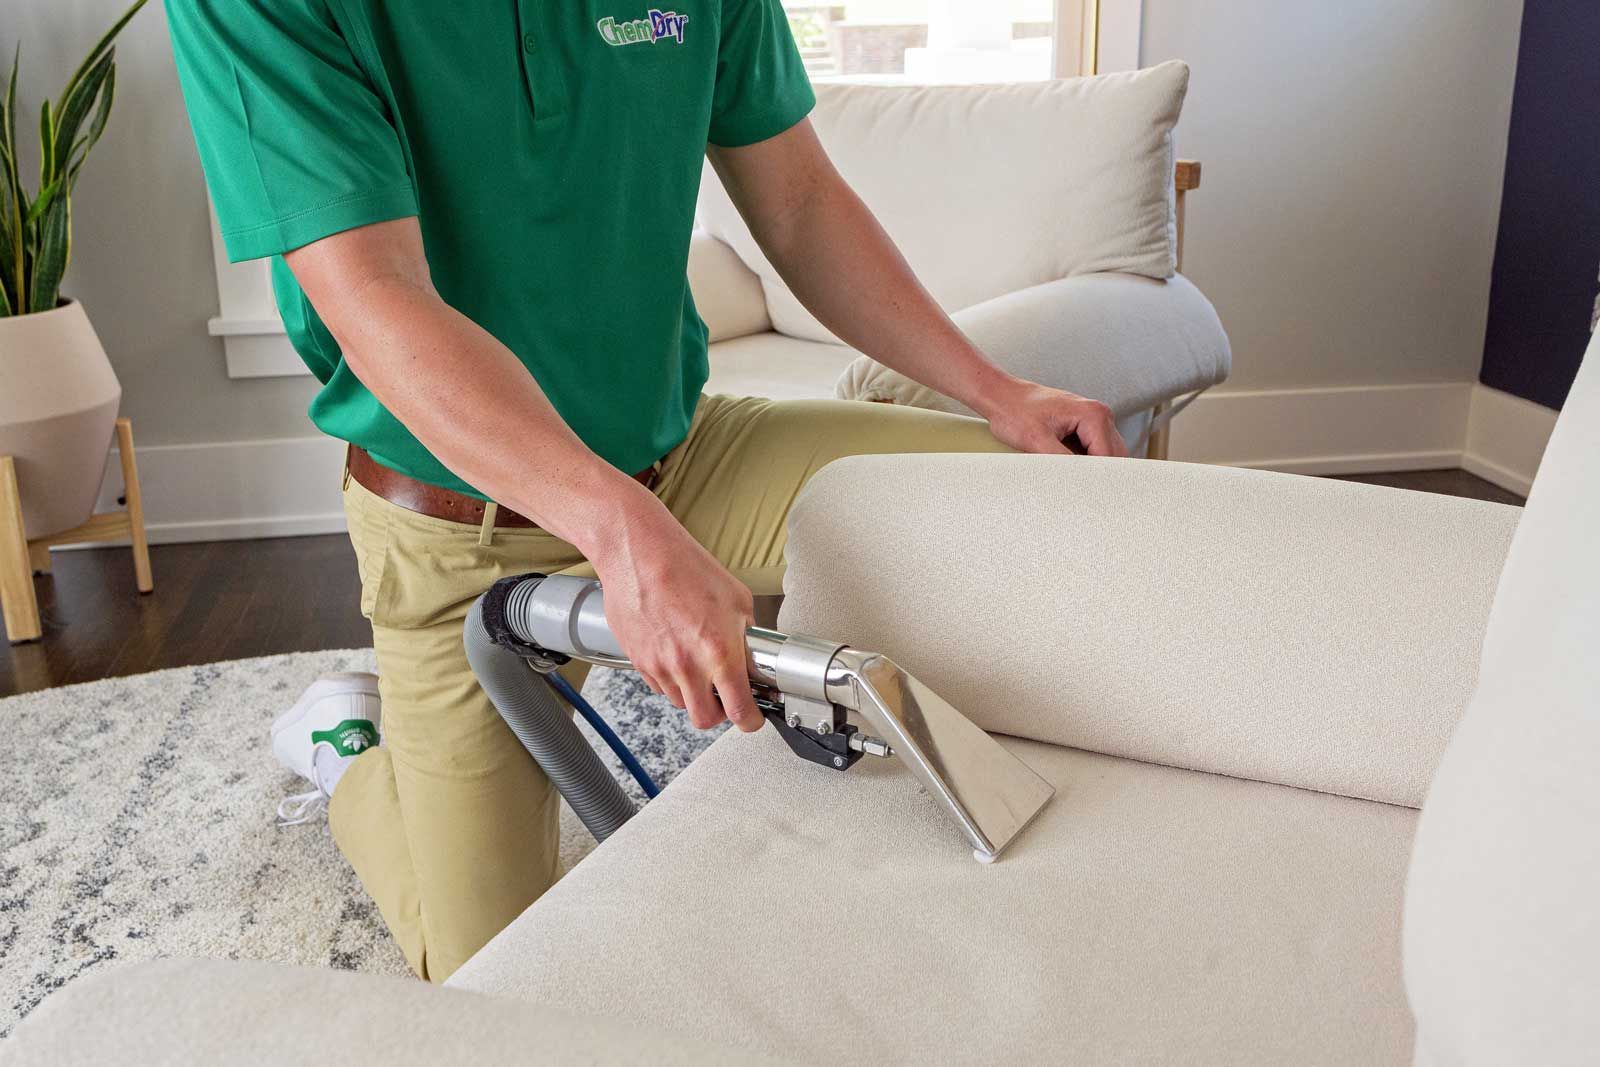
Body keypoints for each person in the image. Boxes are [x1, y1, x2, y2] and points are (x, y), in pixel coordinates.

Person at [167, 0, 1127, 982]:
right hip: (467, 532)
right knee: (495, 972)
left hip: (687, 460)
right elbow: (374, 294)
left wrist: (996, 391)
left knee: (1046, 499)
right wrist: (619, 536)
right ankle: (351, 749)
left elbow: (796, 202)